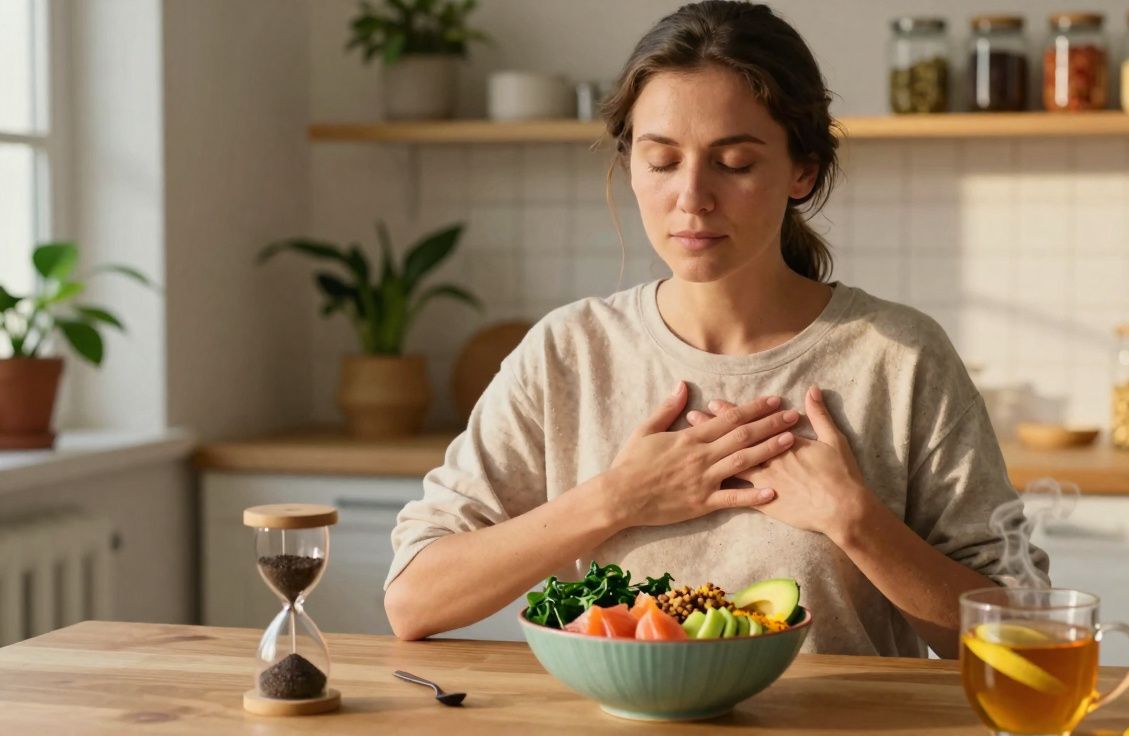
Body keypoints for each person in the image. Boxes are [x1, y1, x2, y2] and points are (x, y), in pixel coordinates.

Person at [384, 0, 1048, 657]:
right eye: (663, 161)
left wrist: (856, 522)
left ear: (802, 171)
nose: (692, 197)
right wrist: (614, 500)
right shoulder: (569, 353)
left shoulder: (900, 359)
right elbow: (414, 599)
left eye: (734, 163)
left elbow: (1022, 638)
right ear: (629, 165)